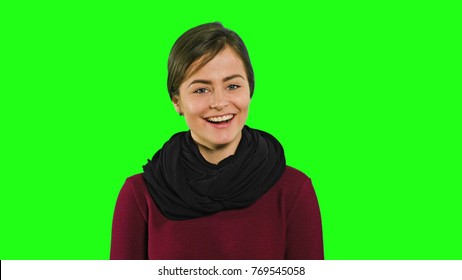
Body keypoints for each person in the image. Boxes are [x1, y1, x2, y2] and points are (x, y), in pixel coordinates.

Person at [110, 22, 324, 260]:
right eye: (201, 90)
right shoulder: (139, 195)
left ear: (250, 91)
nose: (219, 102)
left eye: (232, 86)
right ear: (177, 101)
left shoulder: (294, 190)